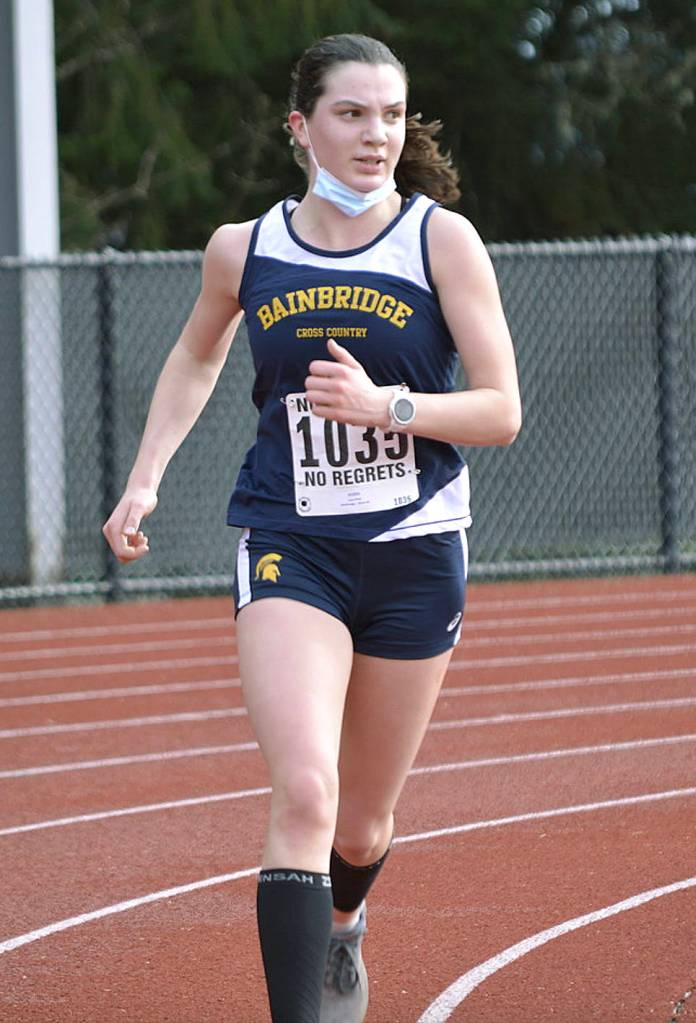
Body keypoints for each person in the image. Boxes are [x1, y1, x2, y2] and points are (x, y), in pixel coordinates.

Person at [102, 32, 521, 1023]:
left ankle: (342, 928)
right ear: (301, 127)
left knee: (364, 824)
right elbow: (196, 360)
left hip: (415, 548)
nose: (374, 134)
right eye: (349, 114)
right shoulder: (243, 250)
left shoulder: (438, 242)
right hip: (292, 539)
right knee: (304, 790)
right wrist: (144, 480)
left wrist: (388, 409)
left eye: (388, 115)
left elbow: (500, 410)